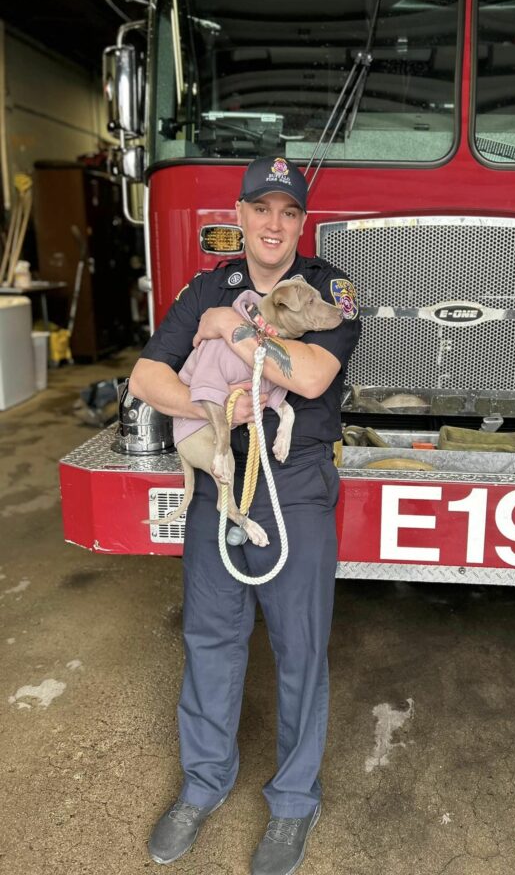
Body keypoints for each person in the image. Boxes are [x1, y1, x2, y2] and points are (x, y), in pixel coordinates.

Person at [128, 156, 360, 873]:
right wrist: (212, 409)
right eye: (262, 209)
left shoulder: (328, 290)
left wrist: (236, 330)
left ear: (302, 222)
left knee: (300, 648)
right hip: (219, 479)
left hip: (294, 486)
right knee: (210, 637)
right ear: (239, 214)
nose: (274, 224)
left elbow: (312, 376)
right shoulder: (207, 287)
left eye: (288, 212)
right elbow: (146, 376)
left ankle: (293, 802)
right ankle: (203, 785)